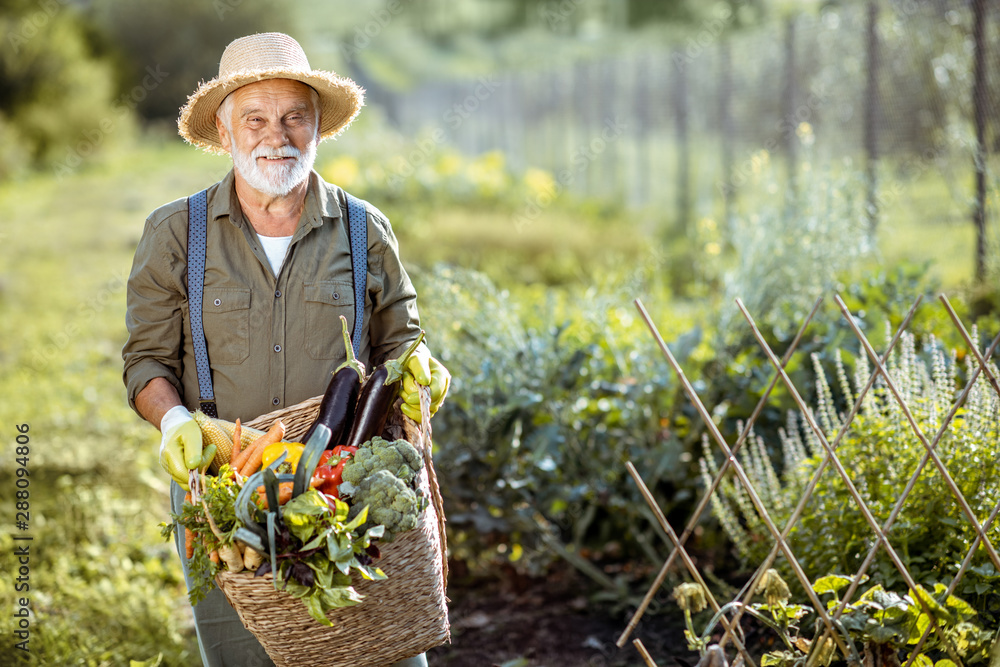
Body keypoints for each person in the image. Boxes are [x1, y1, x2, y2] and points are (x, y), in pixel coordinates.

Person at [122, 32, 449, 667]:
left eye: (295, 116)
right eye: (256, 118)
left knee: (379, 653)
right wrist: (175, 421)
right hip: (223, 491)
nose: (279, 134)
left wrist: (421, 369)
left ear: (317, 125)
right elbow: (146, 362)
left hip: (344, 489)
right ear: (224, 129)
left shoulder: (365, 230)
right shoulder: (174, 234)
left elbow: (403, 338)